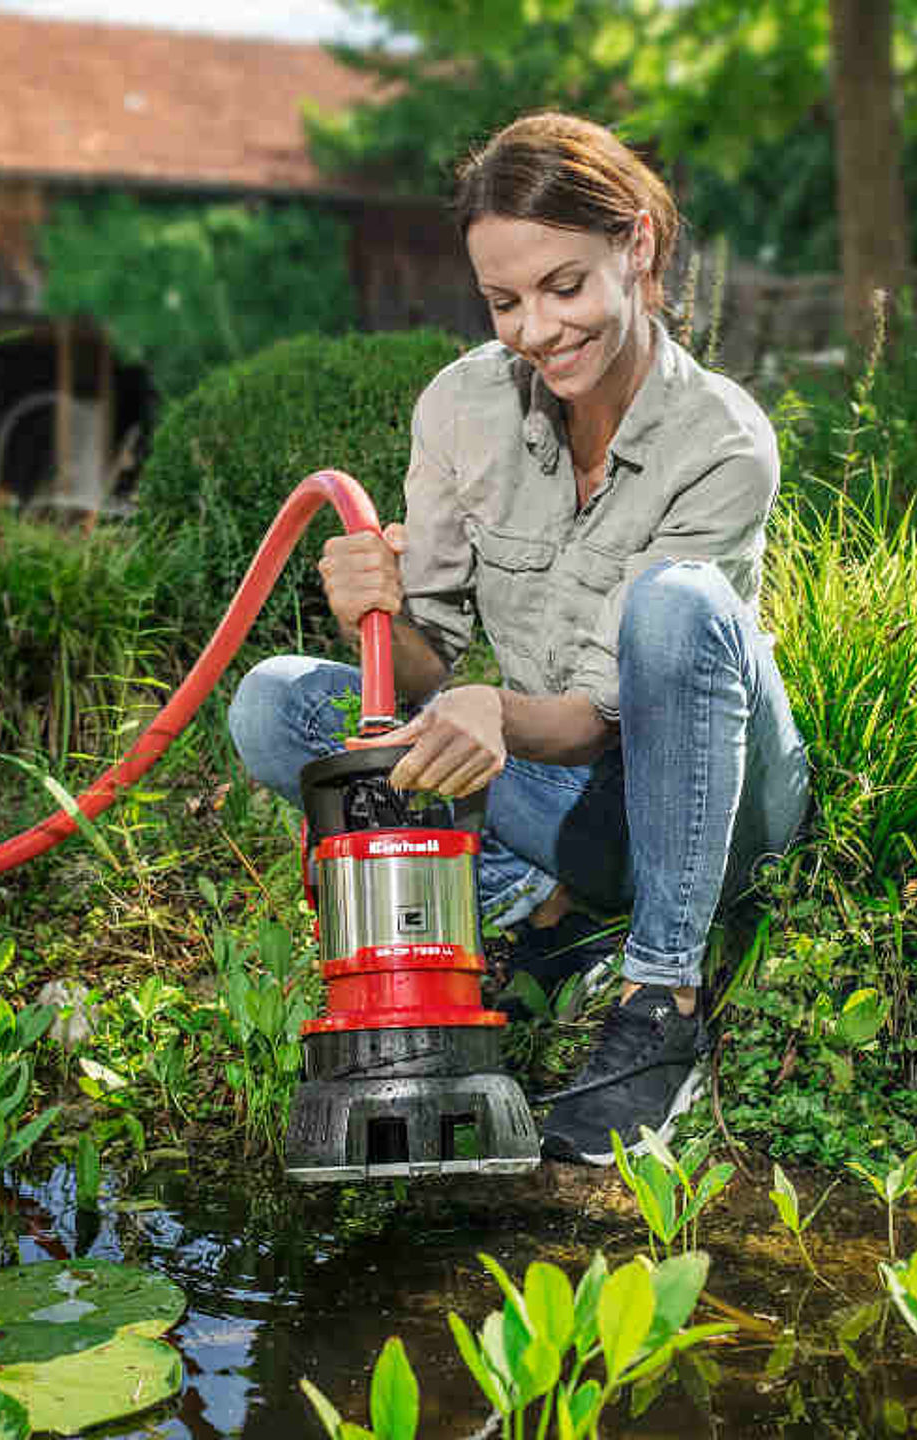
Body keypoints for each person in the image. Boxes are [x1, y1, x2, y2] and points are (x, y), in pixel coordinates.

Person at [228, 112, 809, 1166]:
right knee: (278, 703)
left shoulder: (721, 439)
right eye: (505, 301)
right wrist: (372, 605)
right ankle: (548, 915)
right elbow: (419, 666)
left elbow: (597, 718)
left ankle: (663, 995)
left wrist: (494, 713)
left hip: (714, 812)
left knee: (679, 605)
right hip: (572, 811)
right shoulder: (463, 406)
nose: (537, 329)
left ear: (636, 248)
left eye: (563, 286)